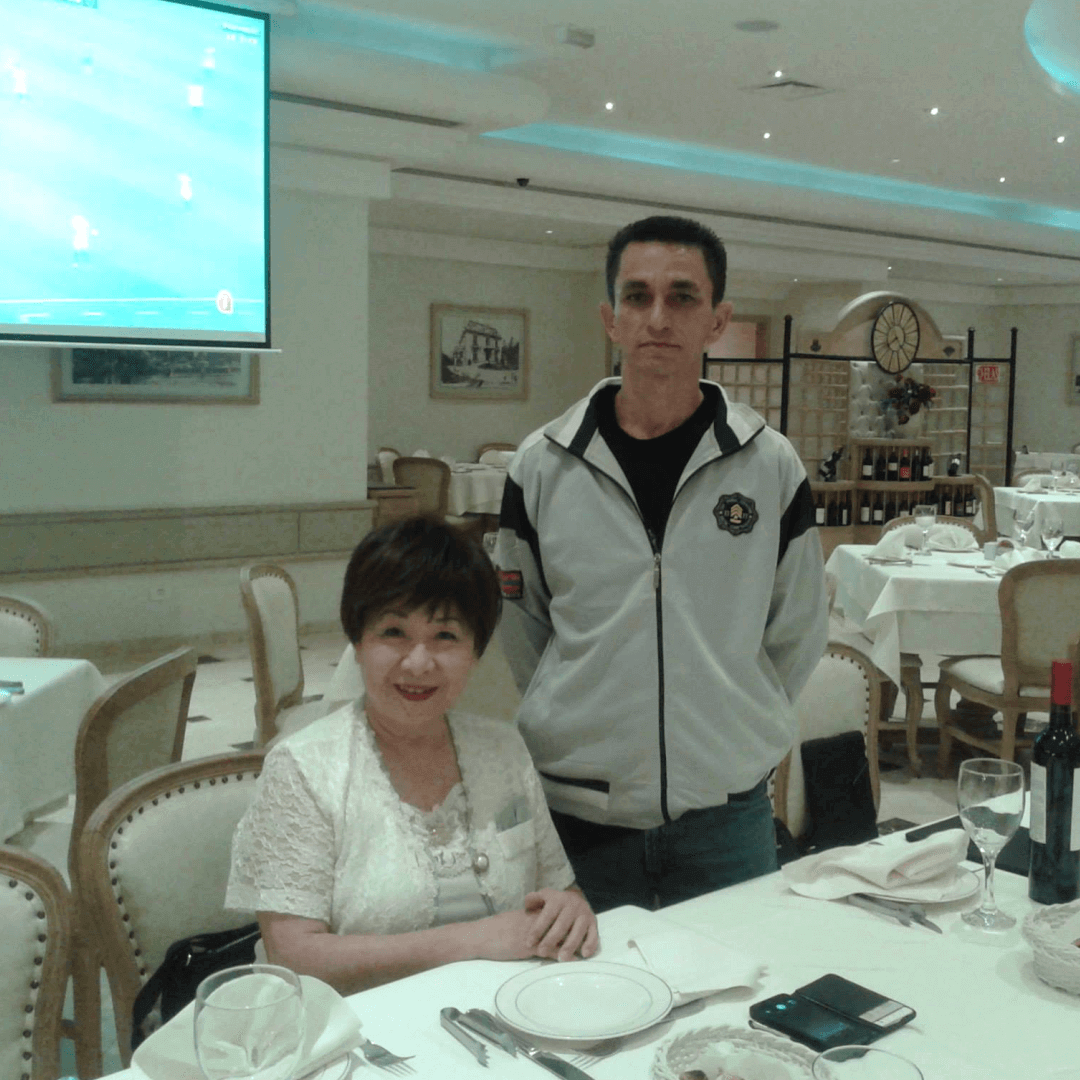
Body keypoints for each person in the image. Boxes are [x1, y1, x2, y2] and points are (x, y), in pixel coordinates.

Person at [495, 214, 828, 912]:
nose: (657, 318)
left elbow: (796, 628)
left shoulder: (769, 465)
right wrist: (576, 705)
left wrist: (735, 720)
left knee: (737, 979)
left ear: (716, 320)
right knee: (587, 983)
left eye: (682, 297)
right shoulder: (542, 465)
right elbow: (525, 629)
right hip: (579, 812)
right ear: (610, 318)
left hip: (727, 812)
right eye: (637, 296)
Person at [225, 516, 598, 994]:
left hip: (504, 1012)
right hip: (360, 1028)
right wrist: (474, 940)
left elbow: (560, 888)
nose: (419, 663)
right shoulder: (303, 769)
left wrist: (570, 910)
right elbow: (295, 957)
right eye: (394, 632)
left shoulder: (504, 749)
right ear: (358, 642)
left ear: (476, 651)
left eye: (446, 636)